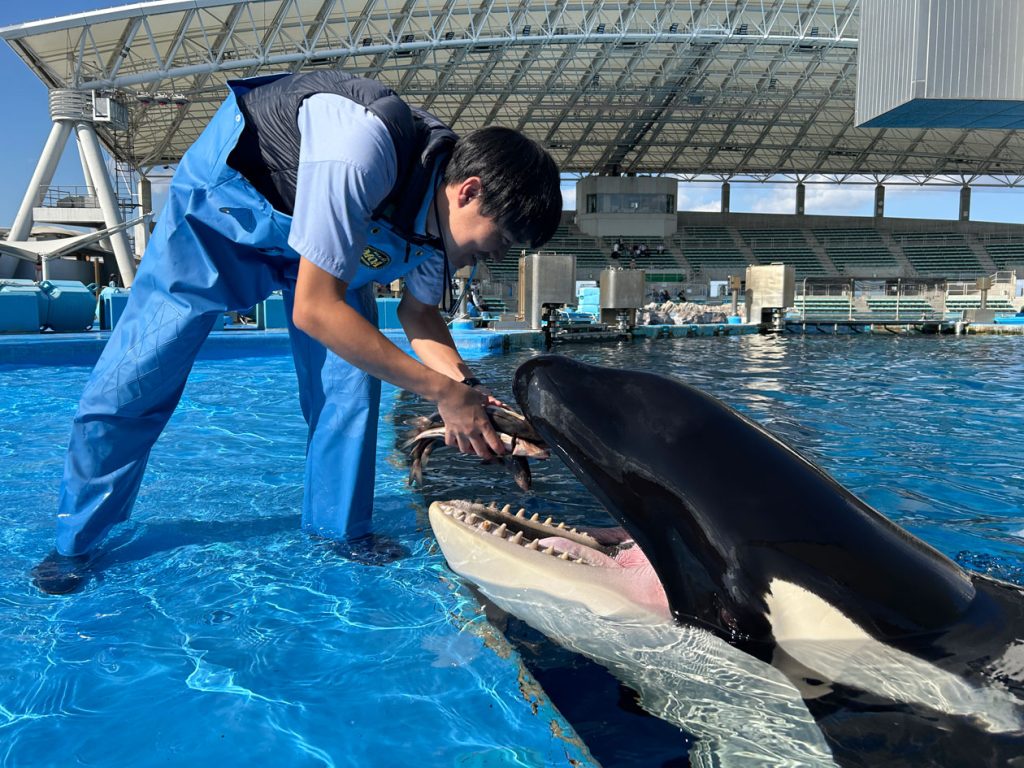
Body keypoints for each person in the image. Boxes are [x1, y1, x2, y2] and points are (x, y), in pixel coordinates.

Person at [32, 71, 561, 593]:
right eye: (500, 240)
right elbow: (315, 309)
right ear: (468, 191)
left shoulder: (440, 227)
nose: (494, 256)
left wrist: (465, 394)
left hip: (338, 255)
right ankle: (77, 543)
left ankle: (341, 533)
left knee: (349, 391)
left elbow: (419, 316)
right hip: (228, 211)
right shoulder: (361, 146)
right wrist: (441, 392)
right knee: (139, 376)